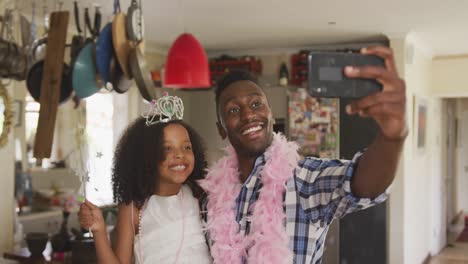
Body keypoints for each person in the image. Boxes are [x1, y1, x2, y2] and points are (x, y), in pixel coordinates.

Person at [198, 46, 407, 264]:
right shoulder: (211, 198)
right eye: (233, 110)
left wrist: (393, 137)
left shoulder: (304, 180)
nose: (248, 114)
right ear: (221, 129)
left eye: (256, 104)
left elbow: (363, 184)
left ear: (270, 114)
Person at [78, 94, 212, 264]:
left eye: (186, 147)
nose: (179, 154)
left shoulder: (200, 195)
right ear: (147, 156)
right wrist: (98, 231)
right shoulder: (134, 209)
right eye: (167, 148)